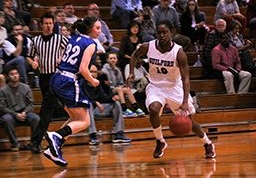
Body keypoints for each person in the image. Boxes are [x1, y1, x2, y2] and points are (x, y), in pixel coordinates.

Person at [127, 20, 216, 159]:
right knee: (154, 109)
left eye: (165, 32)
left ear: (171, 33)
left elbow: (186, 79)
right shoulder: (148, 46)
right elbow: (134, 55)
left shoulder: (178, 52)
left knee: (190, 123)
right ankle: (160, 141)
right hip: (156, 86)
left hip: (174, 88)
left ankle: (207, 143)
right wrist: (131, 72)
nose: (162, 35)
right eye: (159, 33)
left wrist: (185, 101)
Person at [42, 16, 101, 167]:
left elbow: (61, 59)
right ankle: (56, 136)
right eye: (97, 28)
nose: (100, 32)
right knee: (85, 121)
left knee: (75, 117)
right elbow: (83, 69)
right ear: (89, 29)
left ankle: (53, 148)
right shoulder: (91, 43)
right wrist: (93, 80)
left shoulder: (74, 37)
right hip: (67, 81)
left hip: (56, 78)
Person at [26, 12, 68, 154]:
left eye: (51, 23)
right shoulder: (35, 40)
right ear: (41, 24)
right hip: (44, 78)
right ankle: (53, 138)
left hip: (57, 77)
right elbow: (29, 57)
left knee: (47, 111)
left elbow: (70, 52)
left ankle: (36, 141)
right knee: (48, 110)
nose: (49, 26)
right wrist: (33, 63)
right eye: (46, 23)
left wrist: (61, 58)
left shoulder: (60, 39)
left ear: (53, 24)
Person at [83, 64, 131, 145]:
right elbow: (82, 99)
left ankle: (118, 134)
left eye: (95, 72)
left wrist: (112, 98)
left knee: (116, 103)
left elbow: (104, 97)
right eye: (91, 71)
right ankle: (92, 136)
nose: (93, 74)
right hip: (87, 112)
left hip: (99, 110)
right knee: (89, 105)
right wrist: (96, 103)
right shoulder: (81, 84)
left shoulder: (97, 84)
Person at [0, 66, 40, 151]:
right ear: (7, 76)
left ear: (19, 75)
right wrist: (15, 114)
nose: (14, 76)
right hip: (11, 114)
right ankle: (14, 144)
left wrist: (25, 112)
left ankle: (34, 143)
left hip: (25, 113)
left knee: (36, 118)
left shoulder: (26, 87)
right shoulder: (3, 90)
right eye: (12, 74)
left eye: (16, 73)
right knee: (6, 119)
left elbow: (31, 104)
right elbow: (2, 107)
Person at [102, 52, 145, 117]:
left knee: (127, 89)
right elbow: (106, 85)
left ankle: (136, 108)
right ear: (107, 60)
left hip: (117, 89)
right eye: (110, 58)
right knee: (119, 89)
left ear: (117, 59)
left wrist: (123, 86)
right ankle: (124, 109)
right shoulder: (104, 71)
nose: (113, 60)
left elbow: (121, 82)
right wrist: (117, 88)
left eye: (114, 58)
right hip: (109, 90)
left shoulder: (118, 70)